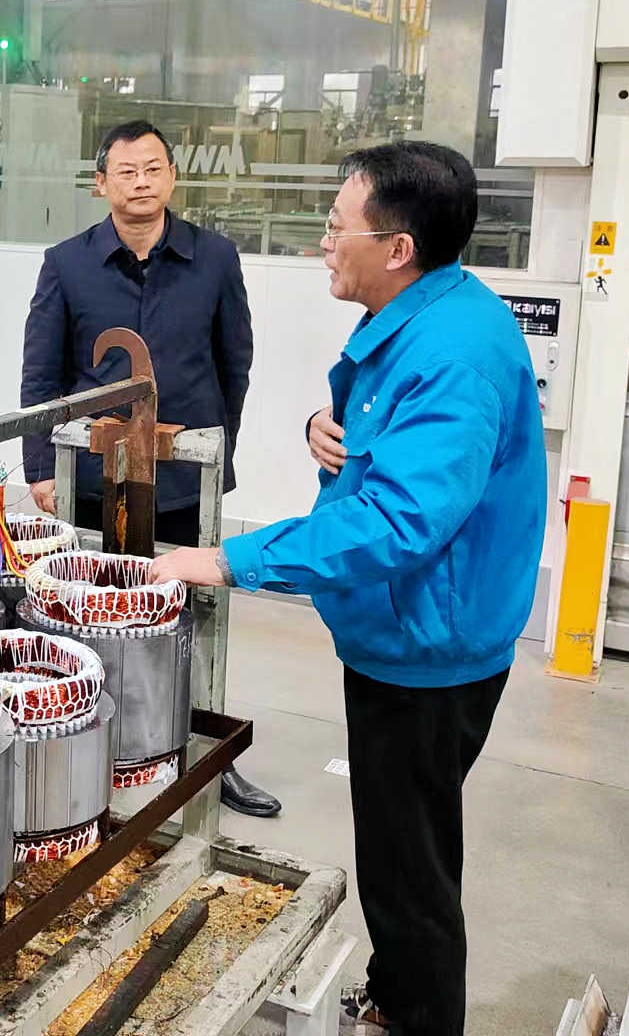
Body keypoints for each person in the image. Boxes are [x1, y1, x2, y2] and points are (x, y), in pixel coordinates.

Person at [149, 142, 548, 1036]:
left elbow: (400, 521)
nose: (323, 243)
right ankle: (398, 992)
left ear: (397, 247)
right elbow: (386, 447)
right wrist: (321, 428)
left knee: (410, 869)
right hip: (407, 629)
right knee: (404, 848)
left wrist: (229, 560)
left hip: (426, 651)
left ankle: (415, 1017)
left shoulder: (452, 354)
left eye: (337, 228)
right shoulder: (428, 314)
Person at [18, 118, 278, 819]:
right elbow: (41, 374)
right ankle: (90, 751)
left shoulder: (214, 258)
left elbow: (235, 364)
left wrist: (215, 455)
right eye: (126, 171)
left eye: (153, 168)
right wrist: (40, 467)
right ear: (101, 182)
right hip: (93, 479)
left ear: (172, 176)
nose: (141, 182)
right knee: (88, 612)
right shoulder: (67, 263)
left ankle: (201, 751)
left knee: (189, 619)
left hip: (182, 481)